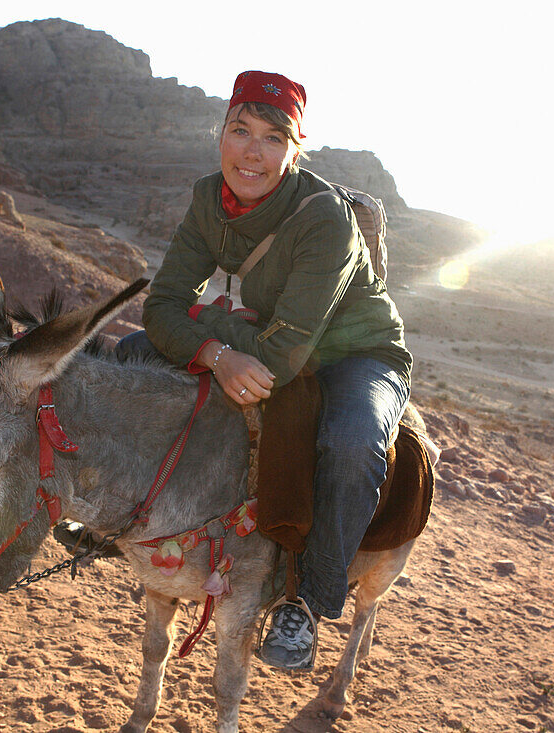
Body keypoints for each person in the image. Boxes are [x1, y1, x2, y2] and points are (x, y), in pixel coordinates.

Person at [127, 70, 412, 671]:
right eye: (240, 130)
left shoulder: (323, 217)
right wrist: (215, 351)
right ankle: (107, 513)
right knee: (125, 355)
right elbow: (159, 306)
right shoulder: (210, 199)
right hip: (264, 338)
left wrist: (204, 319)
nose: (252, 152)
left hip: (354, 355)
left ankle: (306, 601)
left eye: (272, 139)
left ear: (293, 151)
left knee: (353, 442)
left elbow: (284, 360)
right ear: (220, 135)